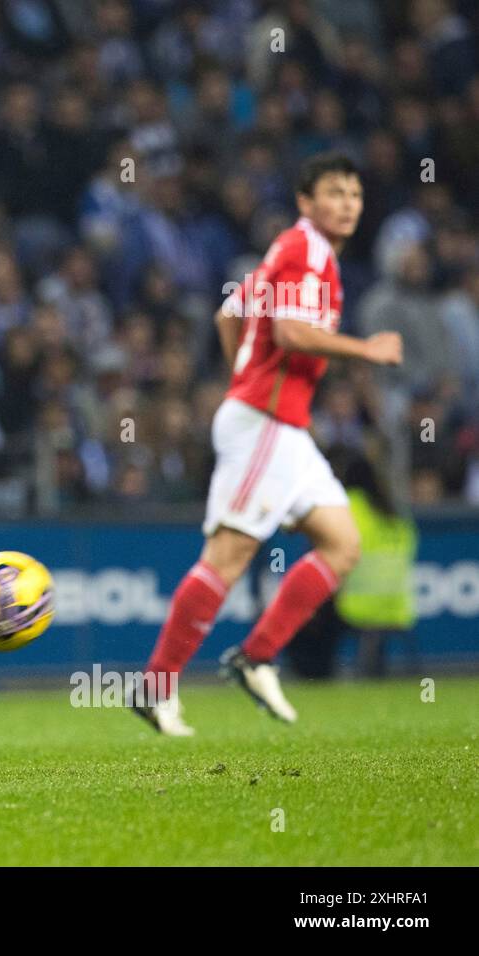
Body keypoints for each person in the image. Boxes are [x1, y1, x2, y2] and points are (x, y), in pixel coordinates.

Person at [131, 152, 404, 735]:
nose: (348, 203)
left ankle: (256, 657)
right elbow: (287, 332)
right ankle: (155, 687)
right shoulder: (305, 248)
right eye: (334, 192)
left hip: (283, 428)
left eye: (354, 194)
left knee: (342, 543)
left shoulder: (298, 253)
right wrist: (366, 350)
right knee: (227, 559)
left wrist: (240, 378)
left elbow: (228, 312)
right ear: (307, 202)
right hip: (265, 424)